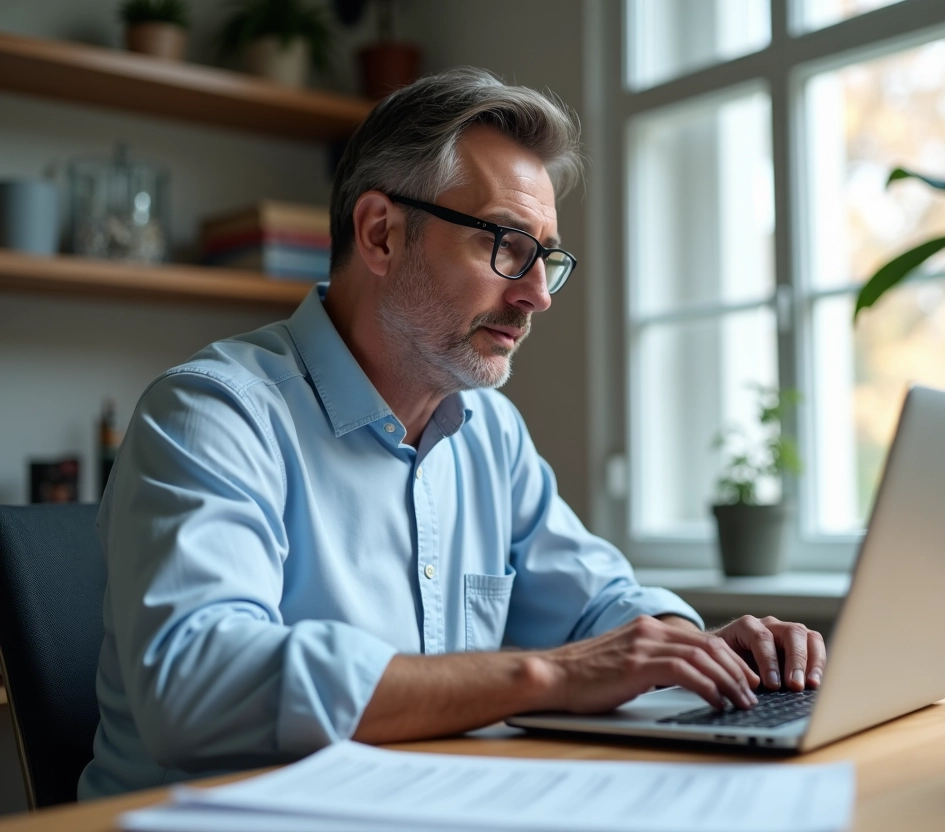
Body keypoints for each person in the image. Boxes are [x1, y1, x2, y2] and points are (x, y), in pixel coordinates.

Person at [80, 68, 826, 799]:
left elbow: (597, 602)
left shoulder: (487, 430)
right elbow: (197, 682)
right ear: (380, 234)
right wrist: (547, 676)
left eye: (547, 258)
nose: (536, 294)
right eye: (505, 243)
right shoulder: (213, 414)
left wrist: (688, 644)